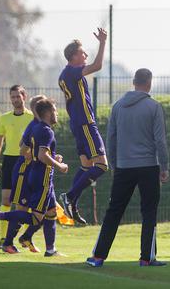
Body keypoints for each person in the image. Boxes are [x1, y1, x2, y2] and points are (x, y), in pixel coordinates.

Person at [87, 69, 170, 268]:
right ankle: (146, 258)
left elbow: (111, 138)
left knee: (114, 211)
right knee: (149, 211)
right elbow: (160, 140)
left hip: (124, 166)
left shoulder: (118, 107)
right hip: (149, 166)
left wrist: (114, 164)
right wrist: (164, 166)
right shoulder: (154, 107)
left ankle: (98, 257)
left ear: (134, 82)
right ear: (149, 83)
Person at [0, 98, 68, 257]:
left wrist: (48, 157)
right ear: (46, 112)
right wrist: (56, 164)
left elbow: (26, 149)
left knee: (50, 213)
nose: (57, 113)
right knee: (32, 216)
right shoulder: (42, 128)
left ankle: (47, 248)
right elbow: (30, 152)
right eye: (55, 110)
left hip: (37, 173)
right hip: (35, 175)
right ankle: (4, 232)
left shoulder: (36, 127)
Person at [58, 29, 108, 224]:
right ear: (73, 56)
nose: (85, 55)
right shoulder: (72, 72)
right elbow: (98, 65)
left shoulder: (65, 74)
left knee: (86, 166)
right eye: (82, 53)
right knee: (102, 166)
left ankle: (71, 203)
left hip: (77, 124)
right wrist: (103, 42)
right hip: (86, 123)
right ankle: (70, 196)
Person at [0, 85, 34, 249]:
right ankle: (3, 239)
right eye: (12, 97)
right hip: (9, 161)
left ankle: (21, 237)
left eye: (18, 96)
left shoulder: (32, 117)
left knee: (23, 203)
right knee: (6, 200)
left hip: (27, 161)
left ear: (24, 96)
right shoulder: (5, 118)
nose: (15, 99)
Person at [8, 94, 47, 253]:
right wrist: (31, 153)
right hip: (24, 171)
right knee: (22, 209)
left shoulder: (42, 125)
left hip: (35, 173)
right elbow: (21, 147)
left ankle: (27, 237)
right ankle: (8, 242)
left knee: (44, 210)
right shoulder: (34, 126)